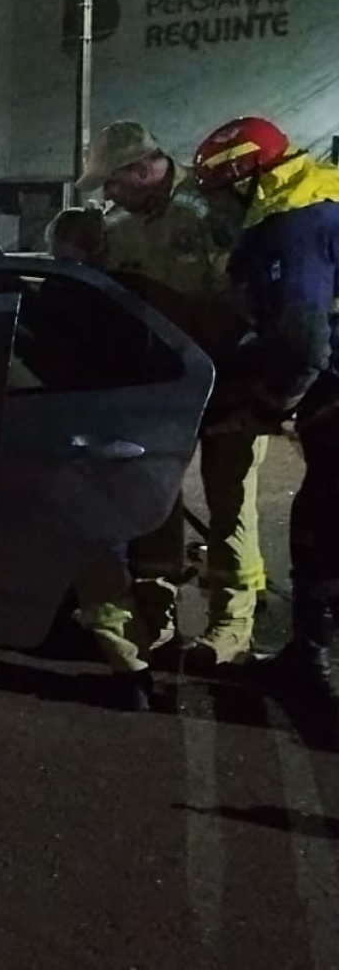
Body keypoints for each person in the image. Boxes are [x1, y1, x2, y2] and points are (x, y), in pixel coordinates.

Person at [75, 120, 266, 690]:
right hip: (159, 394)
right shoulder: (119, 230)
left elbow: (247, 305)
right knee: (155, 502)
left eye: (113, 183)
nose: (108, 196)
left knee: (232, 502)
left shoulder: (212, 212)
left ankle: (232, 626)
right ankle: (156, 618)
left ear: (141, 169)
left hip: (227, 385)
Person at [193, 116, 339, 728]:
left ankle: (313, 666)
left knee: (324, 521)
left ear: (247, 180)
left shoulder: (290, 230)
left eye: (219, 195)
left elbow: (304, 342)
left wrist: (264, 411)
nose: (214, 210)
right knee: (320, 517)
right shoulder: (317, 197)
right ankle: (308, 657)